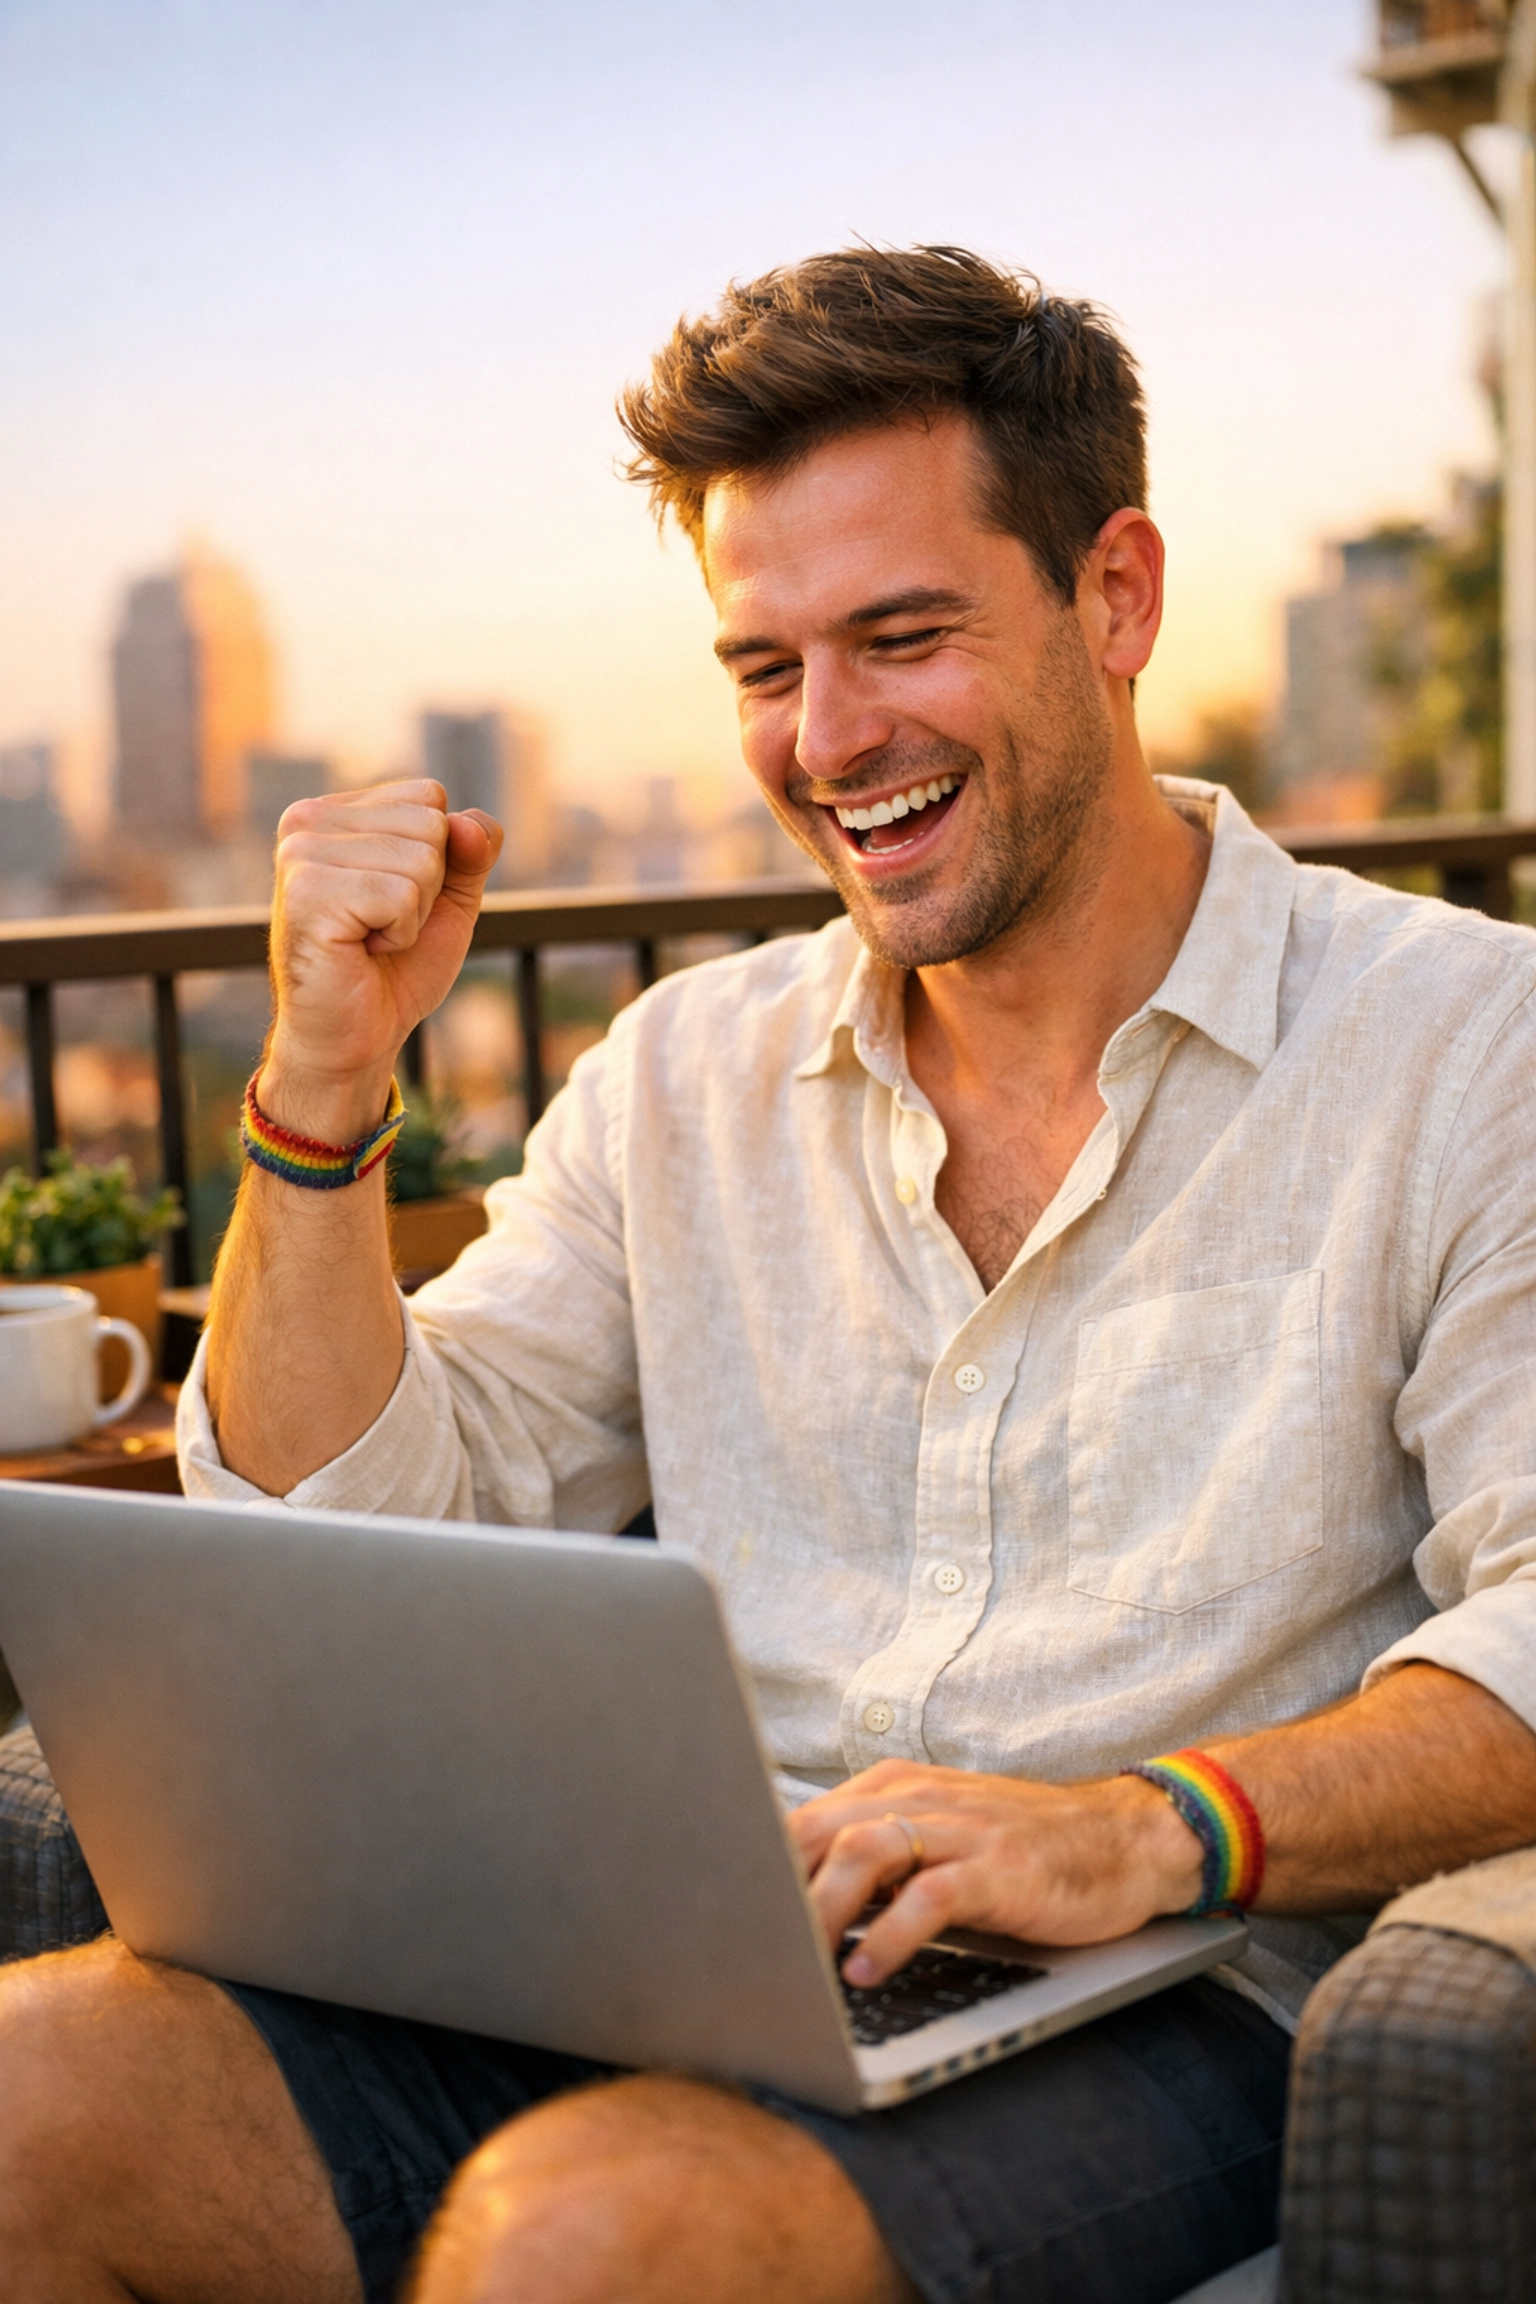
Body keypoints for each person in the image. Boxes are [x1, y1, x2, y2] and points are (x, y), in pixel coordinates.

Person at [3, 244, 1536, 2304]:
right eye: (762, 665)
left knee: (599, 2248)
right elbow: (338, 1514)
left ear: (1117, 597)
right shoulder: (678, 1074)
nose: (827, 739)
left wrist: (1145, 1821)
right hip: (683, 1945)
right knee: (32, 2095)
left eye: (902, 636)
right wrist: (323, 1082)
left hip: (1180, 1996)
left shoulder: (1468, 1047)